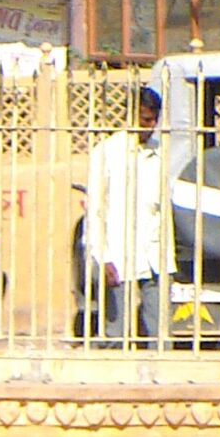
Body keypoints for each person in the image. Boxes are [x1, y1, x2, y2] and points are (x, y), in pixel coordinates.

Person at [83, 84, 162, 347]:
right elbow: (95, 209)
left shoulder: (159, 151)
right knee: (117, 331)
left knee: (160, 333)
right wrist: (102, 257)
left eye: (153, 121)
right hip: (119, 254)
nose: (149, 127)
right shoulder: (108, 151)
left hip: (155, 255)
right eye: (144, 120)